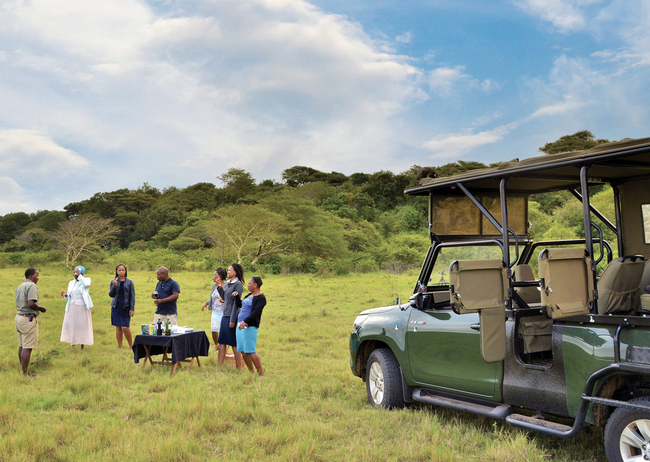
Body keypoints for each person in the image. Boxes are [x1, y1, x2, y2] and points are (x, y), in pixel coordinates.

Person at [15, 268, 47, 376]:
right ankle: (25, 372)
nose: (38, 278)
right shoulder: (32, 286)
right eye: (37, 275)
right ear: (30, 276)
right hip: (28, 319)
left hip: (19, 317)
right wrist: (40, 308)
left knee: (22, 345)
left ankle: (22, 369)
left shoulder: (20, 286)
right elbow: (31, 303)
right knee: (27, 347)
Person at [236, 276, 267, 376]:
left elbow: (256, 312)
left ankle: (260, 373)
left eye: (249, 283)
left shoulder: (261, 298)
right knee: (243, 351)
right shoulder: (249, 295)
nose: (248, 285)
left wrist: (245, 321)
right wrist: (236, 297)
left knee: (250, 350)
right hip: (240, 324)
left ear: (255, 285)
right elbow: (241, 305)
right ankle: (251, 372)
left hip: (249, 325)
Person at [60, 266, 94, 348]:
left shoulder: (86, 280)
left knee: (82, 325)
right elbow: (69, 296)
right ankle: (73, 342)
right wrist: (65, 295)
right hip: (72, 306)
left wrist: (80, 276)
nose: (75, 275)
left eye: (77, 273)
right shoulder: (71, 283)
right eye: (75, 273)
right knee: (72, 324)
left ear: (82, 274)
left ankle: (82, 344)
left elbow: (86, 284)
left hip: (82, 306)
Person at [218, 263, 243, 368]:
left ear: (235, 272)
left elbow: (236, 304)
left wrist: (232, 319)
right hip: (225, 315)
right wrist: (219, 288)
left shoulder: (238, 285)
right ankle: (219, 366)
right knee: (221, 341)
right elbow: (225, 298)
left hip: (231, 316)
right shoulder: (228, 283)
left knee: (233, 343)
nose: (227, 272)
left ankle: (239, 367)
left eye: (229, 270)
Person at [109, 263, 136, 349]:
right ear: (116, 271)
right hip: (116, 307)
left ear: (125, 271)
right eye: (119, 270)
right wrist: (114, 286)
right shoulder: (113, 281)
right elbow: (111, 294)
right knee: (118, 327)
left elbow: (132, 296)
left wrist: (132, 308)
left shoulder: (129, 282)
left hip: (126, 307)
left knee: (125, 327)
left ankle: (131, 346)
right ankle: (120, 346)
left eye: (123, 270)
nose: (121, 272)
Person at [202, 268, 227, 350]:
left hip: (224, 311)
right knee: (214, 329)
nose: (213, 276)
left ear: (220, 276)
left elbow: (227, 298)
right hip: (215, 311)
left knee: (222, 330)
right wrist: (206, 302)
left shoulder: (226, 286)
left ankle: (222, 345)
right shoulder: (214, 286)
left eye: (214, 275)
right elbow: (213, 298)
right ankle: (216, 345)